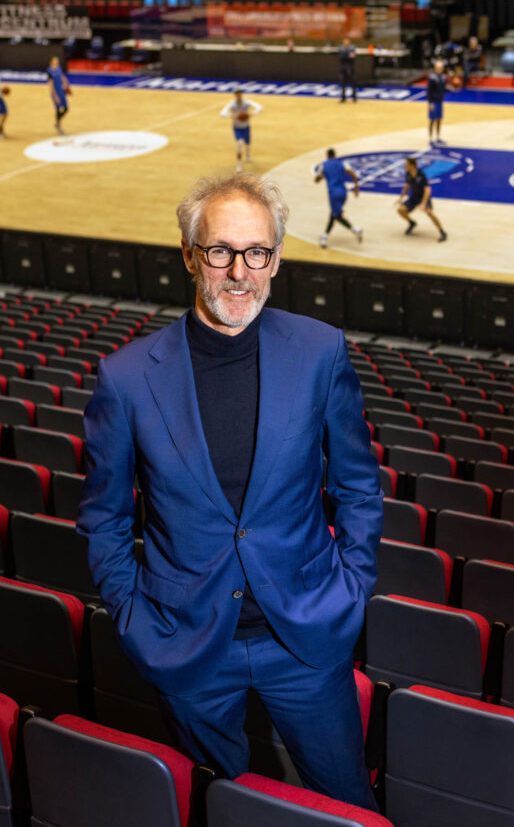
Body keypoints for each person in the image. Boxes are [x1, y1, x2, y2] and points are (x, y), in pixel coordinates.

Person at [76, 173, 382, 810]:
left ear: (275, 258)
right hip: (185, 643)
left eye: (257, 253)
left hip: (305, 633)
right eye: (220, 251)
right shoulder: (126, 377)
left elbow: (357, 485)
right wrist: (135, 618)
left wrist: (351, 585)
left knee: (347, 800)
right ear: (190, 255)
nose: (240, 272)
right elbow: (104, 520)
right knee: (223, 807)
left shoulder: (321, 352)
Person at [314, 148, 363, 248]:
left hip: (333, 193)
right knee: (333, 214)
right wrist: (356, 186)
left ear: (327, 155)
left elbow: (317, 180)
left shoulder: (323, 165)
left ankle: (355, 229)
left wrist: (323, 176)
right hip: (343, 192)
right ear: (335, 155)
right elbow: (353, 174)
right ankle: (324, 237)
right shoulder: (342, 163)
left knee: (336, 216)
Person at [397, 156, 448, 241]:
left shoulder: (421, 175)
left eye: (406, 164)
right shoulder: (408, 174)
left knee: (429, 213)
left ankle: (442, 232)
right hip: (414, 198)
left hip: (423, 198)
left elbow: (427, 190)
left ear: (412, 165)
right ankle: (412, 223)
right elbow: (407, 185)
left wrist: (423, 203)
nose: (405, 166)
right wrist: (401, 198)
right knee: (401, 210)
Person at [220, 90, 262, 170]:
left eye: (240, 95)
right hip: (237, 128)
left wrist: (252, 114)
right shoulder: (232, 105)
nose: (239, 97)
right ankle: (239, 164)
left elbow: (259, 107)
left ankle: (248, 154)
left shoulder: (246, 103)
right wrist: (231, 116)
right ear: (235, 96)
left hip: (246, 127)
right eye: (237, 95)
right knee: (239, 144)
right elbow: (222, 113)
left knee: (247, 144)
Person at [427, 59, 455, 144]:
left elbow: (443, 89)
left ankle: (438, 137)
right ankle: (431, 138)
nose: (439, 69)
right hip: (433, 102)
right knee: (432, 120)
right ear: (435, 68)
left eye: (441, 68)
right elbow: (429, 91)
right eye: (438, 68)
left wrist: (451, 89)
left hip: (440, 101)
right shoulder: (432, 78)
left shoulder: (443, 77)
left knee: (439, 119)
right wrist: (430, 103)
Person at [46, 55, 71, 135]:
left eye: (57, 62)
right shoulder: (49, 72)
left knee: (66, 108)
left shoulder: (59, 68)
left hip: (61, 91)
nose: (56, 63)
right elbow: (51, 85)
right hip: (55, 93)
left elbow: (61, 76)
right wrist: (55, 96)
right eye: (55, 62)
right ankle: (59, 125)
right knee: (58, 109)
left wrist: (66, 82)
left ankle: (57, 123)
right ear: (51, 62)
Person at [338, 37, 357, 103]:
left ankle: (354, 98)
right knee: (343, 83)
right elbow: (340, 56)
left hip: (351, 68)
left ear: (349, 41)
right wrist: (348, 54)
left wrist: (345, 54)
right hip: (343, 68)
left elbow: (352, 56)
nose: (346, 42)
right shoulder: (341, 48)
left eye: (347, 41)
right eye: (344, 41)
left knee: (353, 83)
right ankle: (343, 98)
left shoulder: (353, 47)